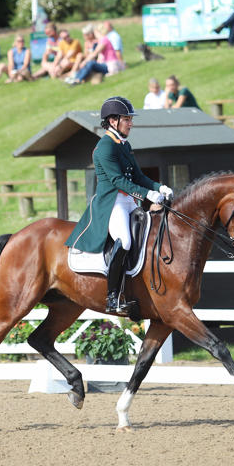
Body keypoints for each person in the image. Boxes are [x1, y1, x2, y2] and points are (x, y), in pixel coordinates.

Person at [64, 97, 173, 313]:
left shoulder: (124, 145)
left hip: (129, 200)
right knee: (124, 242)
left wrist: (159, 187)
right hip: (112, 203)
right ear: (113, 121)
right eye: (127, 119)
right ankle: (112, 296)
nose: (130, 123)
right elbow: (118, 181)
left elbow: (138, 176)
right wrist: (148, 195)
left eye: (130, 119)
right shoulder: (105, 147)